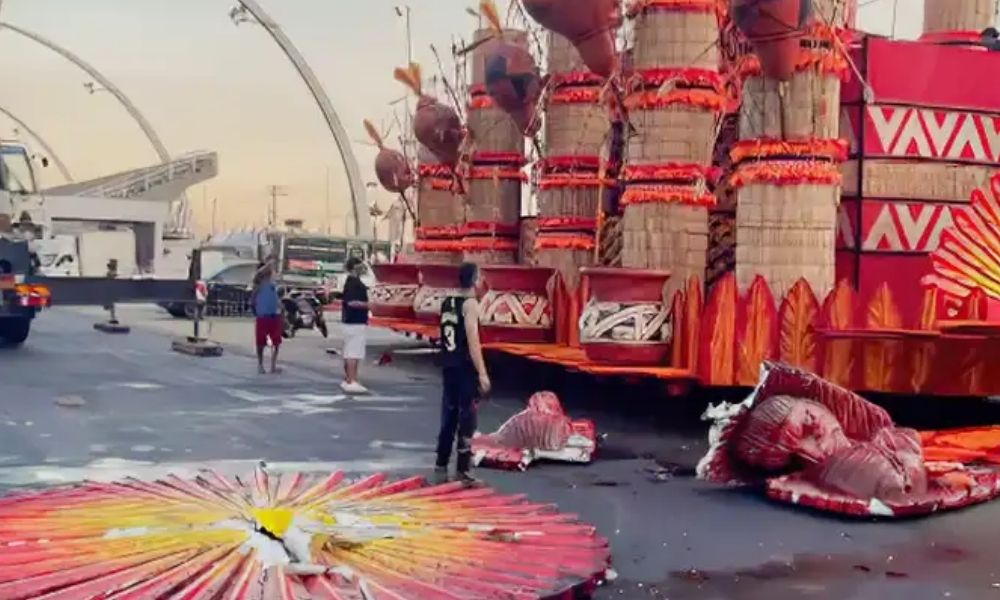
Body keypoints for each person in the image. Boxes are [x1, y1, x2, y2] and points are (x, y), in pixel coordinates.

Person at [435, 262, 491, 483]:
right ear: (475, 280)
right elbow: (472, 339)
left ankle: (441, 460)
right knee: (467, 416)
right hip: (464, 365)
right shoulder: (470, 304)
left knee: (448, 413)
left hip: (448, 363)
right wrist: (483, 372)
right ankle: (463, 468)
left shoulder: (448, 302)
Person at [340, 256, 370, 394]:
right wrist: (368, 305)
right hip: (355, 321)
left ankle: (349, 379)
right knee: (353, 352)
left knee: (350, 352)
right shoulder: (353, 283)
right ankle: (351, 380)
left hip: (351, 321)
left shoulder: (352, 282)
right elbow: (351, 302)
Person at [251, 259, 282, 375]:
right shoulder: (258, 283)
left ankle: (273, 365)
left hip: (273, 315)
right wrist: (271, 261)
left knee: (276, 342)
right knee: (261, 342)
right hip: (263, 315)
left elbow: (276, 298)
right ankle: (260, 365)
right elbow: (259, 274)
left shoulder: (271, 283)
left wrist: (280, 307)